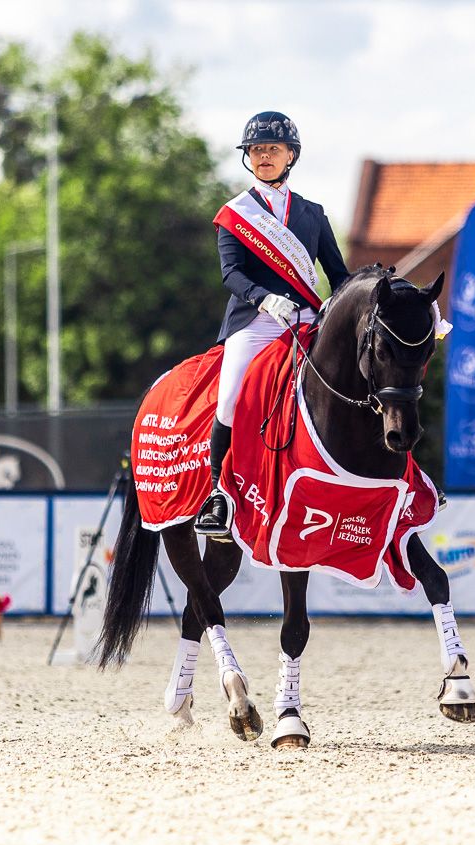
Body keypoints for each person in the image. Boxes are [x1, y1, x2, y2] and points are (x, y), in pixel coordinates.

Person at [194, 111, 350, 538]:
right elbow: (231, 273)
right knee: (229, 400)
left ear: (290, 155)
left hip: (305, 318)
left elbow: (339, 275)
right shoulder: (235, 214)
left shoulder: (313, 214)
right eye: (256, 150)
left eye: (272, 149)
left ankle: (403, 477)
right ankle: (218, 495)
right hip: (255, 321)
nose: (264, 156)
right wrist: (263, 298)